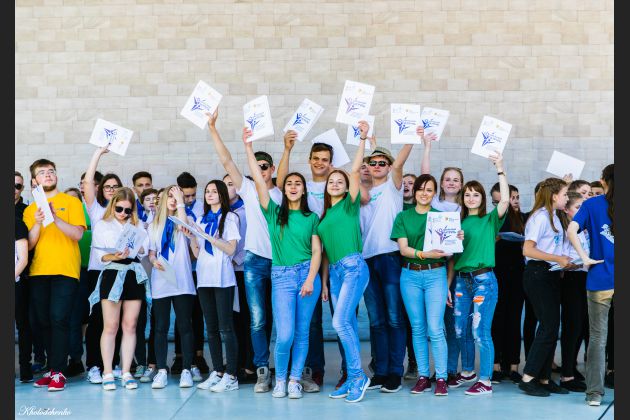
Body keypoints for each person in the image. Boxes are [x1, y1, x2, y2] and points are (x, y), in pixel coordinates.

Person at [205, 109, 283, 393]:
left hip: (282, 262)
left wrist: (288, 148)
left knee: (280, 319)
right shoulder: (248, 189)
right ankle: (261, 369)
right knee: (257, 320)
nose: (261, 170)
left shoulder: (283, 193)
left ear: (271, 170)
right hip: (254, 262)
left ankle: (283, 369)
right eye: (257, 166)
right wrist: (213, 128)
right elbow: (226, 160)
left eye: (265, 166)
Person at [244, 127, 322, 400]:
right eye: (289, 183)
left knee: (302, 333)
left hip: (307, 275)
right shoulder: (274, 212)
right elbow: (257, 178)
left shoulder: (312, 217)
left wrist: (311, 279)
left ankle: (294, 380)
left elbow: (316, 251)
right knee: (285, 333)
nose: (293, 186)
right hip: (282, 276)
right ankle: (279, 380)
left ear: (303, 189)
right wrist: (248, 147)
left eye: (298, 183)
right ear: (284, 188)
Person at [276, 133, 337, 391]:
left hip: (332, 255)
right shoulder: (303, 186)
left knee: (336, 319)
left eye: (325, 159)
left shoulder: (335, 184)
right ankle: (307, 371)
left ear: (331, 163)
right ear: (310, 160)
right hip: (306, 257)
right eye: (316, 158)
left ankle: (342, 371)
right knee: (306, 324)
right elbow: (281, 183)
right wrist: (287, 149)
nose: (320, 163)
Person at [361, 128, 420, 393]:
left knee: (395, 318)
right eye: (372, 163)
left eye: (382, 163)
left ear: (389, 166)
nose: (377, 166)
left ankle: (395, 372)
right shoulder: (362, 193)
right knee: (376, 321)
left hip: (390, 258)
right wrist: (367, 141)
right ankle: (381, 371)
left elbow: (399, 164)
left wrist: (411, 136)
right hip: (366, 260)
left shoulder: (393, 188)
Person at [318, 120, 372, 403]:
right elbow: (326, 252)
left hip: (353, 267)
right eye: (332, 181)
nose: (336, 183)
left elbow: (353, 170)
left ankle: (358, 376)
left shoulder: (350, 206)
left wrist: (362, 139)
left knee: (340, 322)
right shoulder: (325, 216)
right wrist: (325, 282)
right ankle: (352, 377)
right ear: (326, 187)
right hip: (337, 273)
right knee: (345, 324)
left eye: (340, 181)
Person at [25, 159, 86, 391]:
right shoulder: (30, 210)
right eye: (42, 172)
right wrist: (38, 223)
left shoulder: (71, 202)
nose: (48, 174)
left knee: (59, 318)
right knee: (44, 322)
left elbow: (78, 234)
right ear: (35, 181)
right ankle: (52, 370)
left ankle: (59, 372)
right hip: (39, 271)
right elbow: (29, 245)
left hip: (65, 270)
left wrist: (55, 217)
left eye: (51, 171)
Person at [391, 172, 455, 396]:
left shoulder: (442, 217)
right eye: (421, 189)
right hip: (410, 275)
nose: (424, 193)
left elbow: (450, 255)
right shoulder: (403, 216)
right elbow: (403, 249)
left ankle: (441, 378)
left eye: (429, 190)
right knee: (417, 327)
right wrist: (426, 253)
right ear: (415, 191)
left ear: (434, 193)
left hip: (435, 274)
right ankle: (423, 376)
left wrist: (456, 240)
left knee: (435, 328)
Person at [452, 153, 509, 395]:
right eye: (467, 194)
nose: (471, 198)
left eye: (476, 194)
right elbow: (449, 255)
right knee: (460, 329)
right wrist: (453, 240)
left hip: (483, 280)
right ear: (462, 198)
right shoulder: (456, 223)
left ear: (483, 199)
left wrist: (500, 168)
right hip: (461, 280)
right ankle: (468, 372)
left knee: (480, 331)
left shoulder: (490, 220)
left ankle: (485, 380)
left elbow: (505, 200)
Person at [420, 135, 474, 385]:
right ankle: (439, 368)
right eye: (447, 179)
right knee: (434, 325)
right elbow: (425, 176)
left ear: (461, 185)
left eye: (456, 180)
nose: (451, 182)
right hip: (431, 268)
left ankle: (451, 369)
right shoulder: (434, 203)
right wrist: (427, 147)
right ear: (440, 183)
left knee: (453, 324)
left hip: (455, 271)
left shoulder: (465, 209)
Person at [88, 188, 150, 391]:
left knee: (130, 325)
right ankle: (107, 371)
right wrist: (115, 255)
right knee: (111, 325)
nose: (123, 213)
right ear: (112, 205)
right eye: (119, 209)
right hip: (112, 273)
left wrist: (136, 247)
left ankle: (126, 371)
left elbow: (144, 250)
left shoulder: (138, 225)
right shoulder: (102, 225)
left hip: (133, 273)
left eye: (127, 210)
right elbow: (100, 256)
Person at [518, 178, 573, 397]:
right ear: (554, 196)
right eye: (565, 194)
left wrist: (563, 262)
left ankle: (544, 377)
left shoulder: (555, 216)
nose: (567, 198)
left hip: (550, 274)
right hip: (537, 274)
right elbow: (528, 250)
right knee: (548, 326)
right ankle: (528, 377)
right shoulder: (540, 217)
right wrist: (557, 258)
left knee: (551, 326)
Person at [567, 164, 614, 406]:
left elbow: (571, 229)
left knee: (597, 337)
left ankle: (594, 393)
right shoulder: (594, 204)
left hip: (600, 278)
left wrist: (584, 257)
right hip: (604, 279)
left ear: (603, 181)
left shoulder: (592, 204)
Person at [192, 180, 241, 393]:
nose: (209, 194)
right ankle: (218, 371)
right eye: (207, 191)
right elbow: (198, 253)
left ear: (221, 194)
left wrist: (208, 237)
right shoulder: (201, 219)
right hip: (204, 278)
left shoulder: (230, 217)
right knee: (210, 328)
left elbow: (231, 249)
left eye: (214, 191)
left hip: (222, 279)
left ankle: (231, 375)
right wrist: (193, 237)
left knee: (226, 327)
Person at [147, 185, 198, 389]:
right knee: (160, 326)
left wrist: (181, 204)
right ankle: (161, 370)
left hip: (182, 279)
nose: (173, 199)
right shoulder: (153, 225)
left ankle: (186, 369)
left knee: (185, 325)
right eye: (170, 195)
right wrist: (153, 261)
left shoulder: (186, 219)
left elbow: (186, 228)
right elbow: (152, 252)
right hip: (162, 278)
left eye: (176, 196)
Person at [83, 148, 124, 384]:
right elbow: (88, 182)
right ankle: (94, 365)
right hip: (98, 272)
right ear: (101, 190)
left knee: (115, 321)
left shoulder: (126, 213)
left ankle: (113, 363)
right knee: (97, 320)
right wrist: (97, 153)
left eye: (115, 186)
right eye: (107, 186)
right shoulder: (97, 211)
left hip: (120, 272)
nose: (111, 190)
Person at [171, 171, 208, 379]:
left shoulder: (201, 207)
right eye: (186, 196)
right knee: (182, 314)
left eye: (193, 195)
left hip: (197, 268)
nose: (191, 199)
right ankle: (180, 355)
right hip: (179, 268)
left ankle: (199, 355)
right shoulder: (172, 207)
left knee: (198, 313)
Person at [490, 183, 527, 384]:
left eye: (516, 197)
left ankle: (513, 366)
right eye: (508, 199)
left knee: (514, 319)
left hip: (518, 275)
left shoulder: (524, 218)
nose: (514, 202)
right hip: (497, 274)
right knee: (497, 319)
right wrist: (494, 239)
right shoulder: (492, 219)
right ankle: (496, 365)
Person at [223, 173, 256, 383]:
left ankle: (249, 363)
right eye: (225, 184)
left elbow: (252, 239)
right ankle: (235, 362)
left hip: (244, 269)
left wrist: (236, 259)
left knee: (247, 319)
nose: (229, 187)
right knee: (232, 320)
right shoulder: (221, 212)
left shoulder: (248, 210)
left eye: (232, 183)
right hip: (226, 273)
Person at [557, 192, 589, 392]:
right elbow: (562, 257)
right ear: (566, 210)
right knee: (572, 325)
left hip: (584, 277)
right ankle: (566, 374)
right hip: (571, 278)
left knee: (581, 326)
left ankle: (571, 369)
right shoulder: (564, 229)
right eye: (578, 207)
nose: (582, 211)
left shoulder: (582, 229)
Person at [15, 210, 32, 382]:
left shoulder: (17, 224)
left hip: (15, 282)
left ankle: (25, 369)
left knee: (22, 325)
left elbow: (23, 259)